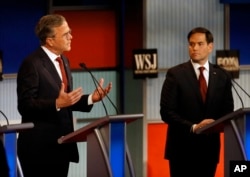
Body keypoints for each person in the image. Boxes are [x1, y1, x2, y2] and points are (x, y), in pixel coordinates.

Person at [16, 14, 112, 177]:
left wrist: (90, 99)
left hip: (62, 145)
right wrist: (56, 104)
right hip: (39, 150)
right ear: (50, 40)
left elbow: (66, 100)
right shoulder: (32, 64)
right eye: (66, 34)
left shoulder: (64, 61)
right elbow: (25, 106)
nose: (71, 37)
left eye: (70, 32)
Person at [160, 27, 234, 177]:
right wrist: (193, 127)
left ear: (210, 46)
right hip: (182, 150)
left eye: (200, 44)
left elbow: (228, 111)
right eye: (191, 44)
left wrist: (215, 124)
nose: (194, 48)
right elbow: (166, 112)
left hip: (209, 150)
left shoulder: (222, 75)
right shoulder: (175, 74)